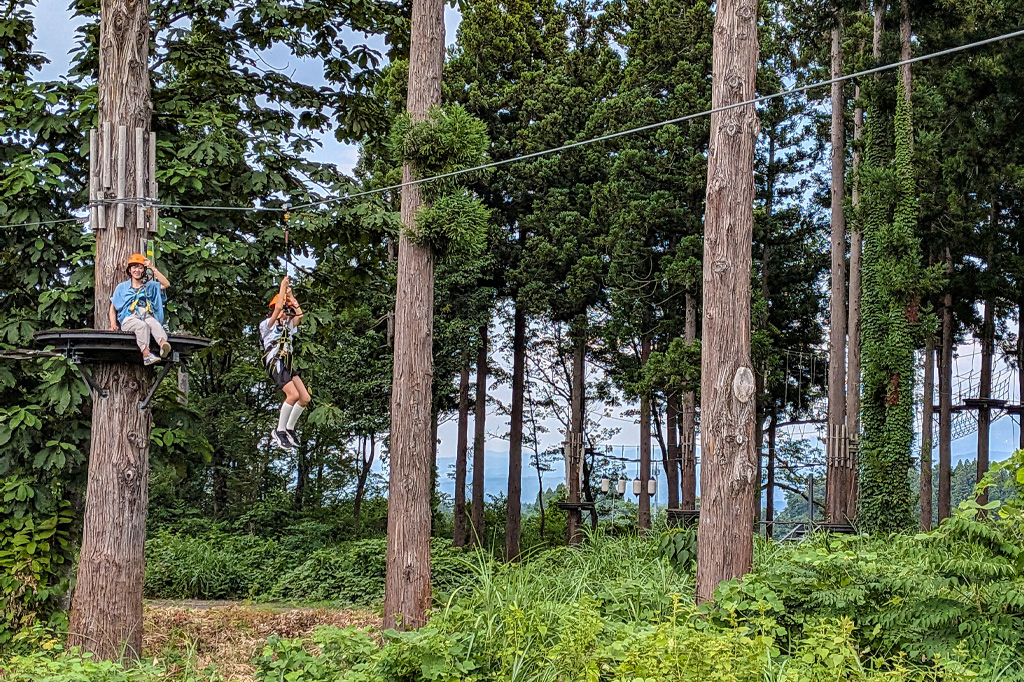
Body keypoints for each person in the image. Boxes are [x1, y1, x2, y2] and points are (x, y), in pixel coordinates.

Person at [259, 276, 311, 450]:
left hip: (287, 362)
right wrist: (282, 287)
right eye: (284, 310)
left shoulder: (287, 326)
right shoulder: (267, 324)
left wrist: (291, 296)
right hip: (276, 361)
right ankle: (279, 430)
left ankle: (289, 428)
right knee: (293, 395)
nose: (286, 314)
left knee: (304, 398)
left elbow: (300, 315)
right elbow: (279, 307)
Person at [109, 254, 171, 366]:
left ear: (144, 270)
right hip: (129, 318)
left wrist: (152, 268)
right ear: (129, 270)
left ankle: (163, 345)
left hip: (146, 314)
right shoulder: (122, 287)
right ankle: (146, 355)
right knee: (142, 326)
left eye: (140, 267)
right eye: (134, 267)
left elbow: (166, 284)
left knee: (154, 324)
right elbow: (113, 308)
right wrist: (113, 324)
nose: (137, 270)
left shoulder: (150, 286)